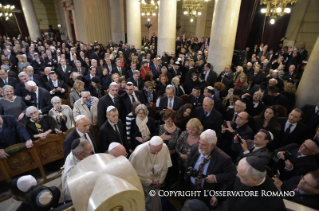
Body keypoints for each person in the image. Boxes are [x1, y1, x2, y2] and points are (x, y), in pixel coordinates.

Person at [210, 157, 286, 211]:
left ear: (255, 180)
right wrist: (218, 196)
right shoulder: (243, 173)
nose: (237, 176)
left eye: (241, 176)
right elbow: (231, 184)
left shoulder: (273, 204)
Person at [185, 129, 237, 206]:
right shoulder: (195, 148)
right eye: (199, 143)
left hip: (208, 193)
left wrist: (216, 178)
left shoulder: (224, 158)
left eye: (203, 145)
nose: (200, 146)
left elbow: (233, 175)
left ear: (212, 145)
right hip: (191, 187)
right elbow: (189, 163)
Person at [129, 136, 172, 211]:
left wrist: (160, 181)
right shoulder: (138, 153)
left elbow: (165, 166)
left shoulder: (164, 147)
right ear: (149, 145)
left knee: (154, 204)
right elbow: (131, 174)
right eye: (154, 151)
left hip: (157, 183)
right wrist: (149, 182)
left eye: (159, 150)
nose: (156, 153)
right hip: (143, 184)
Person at [157, 109, 181, 188]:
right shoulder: (160, 128)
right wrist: (161, 137)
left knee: (170, 175)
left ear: (173, 120)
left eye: (170, 120)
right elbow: (154, 141)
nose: (167, 122)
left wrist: (173, 151)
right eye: (166, 120)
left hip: (172, 156)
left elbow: (179, 146)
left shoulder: (178, 130)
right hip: (160, 155)